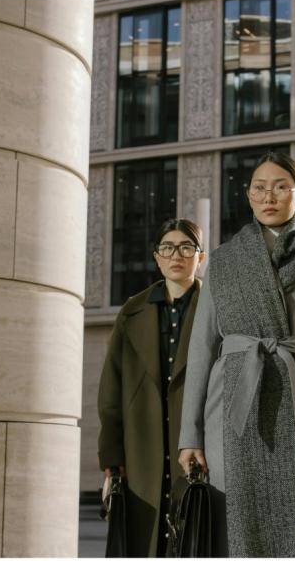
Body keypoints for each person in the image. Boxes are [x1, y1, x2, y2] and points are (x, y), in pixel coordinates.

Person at [178, 152, 295, 557]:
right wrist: (189, 435)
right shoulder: (223, 260)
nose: (270, 196)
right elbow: (201, 350)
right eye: (260, 188)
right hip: (229, 407)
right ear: (248, 196)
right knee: (232, 520)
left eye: (281, 187)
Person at [97, 218, 206, 556]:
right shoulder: (132, 311)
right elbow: (111, 390)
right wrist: (112, 460)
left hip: (199, 448)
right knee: (144, 543)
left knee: (195, 539)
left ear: (200, 257)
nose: (177, 255)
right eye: (168, 248)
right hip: (140, 450)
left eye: (186, 247)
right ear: (156, 257)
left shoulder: (216, 308)